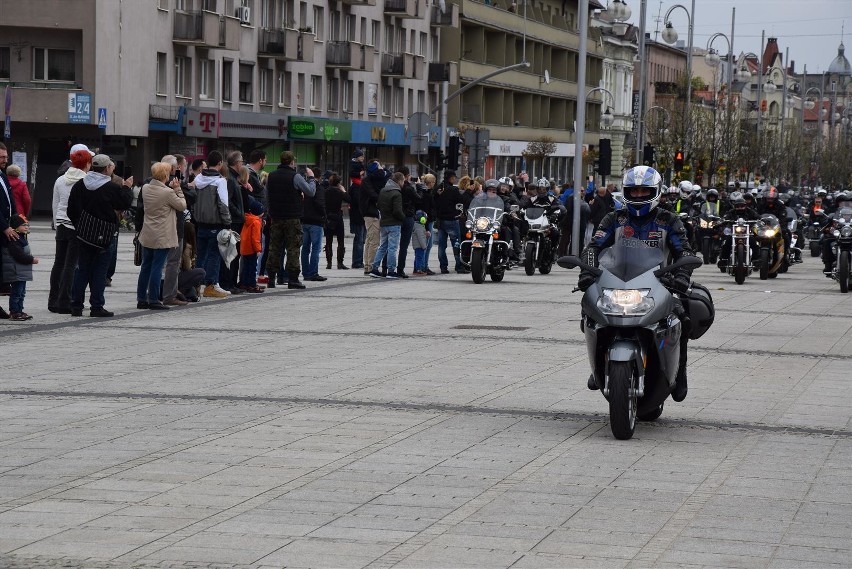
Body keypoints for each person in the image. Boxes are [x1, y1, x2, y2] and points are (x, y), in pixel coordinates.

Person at [578, 165, 696, 402]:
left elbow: (684, 251)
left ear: (656, 191)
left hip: (662, 283)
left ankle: (679, 373)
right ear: (626, 192)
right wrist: (587, 273)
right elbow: (594, 247)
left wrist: (682, 276)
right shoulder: (615, 218)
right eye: (634, 191)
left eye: (645, 191)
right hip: (619, 281)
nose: (639, 196)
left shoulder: (668, 220)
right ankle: (598, 367)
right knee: (589, 313)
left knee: (683, 318)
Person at [66, 154, 133, 317]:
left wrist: (81, 226)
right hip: (105, 236)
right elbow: (124, 203)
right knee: (99, 271)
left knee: (82, 270)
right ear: (107, 169)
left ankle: (76, 306)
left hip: (84, 235)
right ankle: (96, 306)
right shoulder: (111, 187)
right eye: (111, 166)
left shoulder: (80, 185)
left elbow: (71, 210)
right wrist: (126, 187)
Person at [136, 161, 186, 311]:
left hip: (148, 233)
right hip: (162, 235)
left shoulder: (145, 188)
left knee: (146, 266)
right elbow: (182, 205)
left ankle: (141, 298)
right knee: (157, 267)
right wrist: (178, 189)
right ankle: (153, 299)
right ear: (165, 175)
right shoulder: (168, 192)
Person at [48, 147, 91, 314]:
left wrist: (56, 223)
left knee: (58, 263)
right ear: (87, 164)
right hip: (76, 226)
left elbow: (55, 203)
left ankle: (53, 300)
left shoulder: (60, 180)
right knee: (71, 264)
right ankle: (65, 301)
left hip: (61, 223)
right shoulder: (86, 181)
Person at [265, 150, 316, 289]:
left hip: (276, 217)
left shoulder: (271, 176)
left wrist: (270, 212)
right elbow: (310, 192)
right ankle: (293, 279)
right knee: (293, 248)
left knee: (274, 247)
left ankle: (271, 278)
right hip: (292, 217)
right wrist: (311, 178)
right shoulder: (296, 176)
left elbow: (267, 196)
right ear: (292, 162)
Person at [191, 151, 232, 298]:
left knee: (201, 255)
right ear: (220, 163)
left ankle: (195, 285)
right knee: (214, 255)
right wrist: (228, 223)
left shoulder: (198, 178)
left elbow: (193, 201)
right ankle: (211, 284)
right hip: (216, 223)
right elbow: (223, 205)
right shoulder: (220, 181)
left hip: (201, 223)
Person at [369, 171, 406, 279]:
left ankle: (374, 269)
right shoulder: (397, 193)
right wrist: (403, 218)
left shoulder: (383, 191)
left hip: (384, 222)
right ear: (399, 181)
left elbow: (379, 205)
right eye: (403, 181)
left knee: (382, 247)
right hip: (394, 223)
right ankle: (391, 271)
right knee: (392, 248)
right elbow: (397, 211)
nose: (403, 183)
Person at [2, 214, 38, 320]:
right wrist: (31, 260)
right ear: (16, 227)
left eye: (27, 225)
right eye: (24, 225)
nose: (26, 227)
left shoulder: (21, 237)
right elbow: (18, 255)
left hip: (22, 271)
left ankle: (20, 310)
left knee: (22, 293)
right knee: (16, 292)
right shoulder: (14, 239)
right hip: (17, 271)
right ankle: (14, 312)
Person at [717, 191, 759, 269]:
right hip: (734, 233)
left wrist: (760, 220)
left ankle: (755, 260)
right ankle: (724, 259)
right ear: (734, 206)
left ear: (745, 206)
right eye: (737, 206)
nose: (740, 208)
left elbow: (757, 216)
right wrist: (722, 221)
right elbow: (725, 217)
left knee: (755, 244)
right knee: (726, 243)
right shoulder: (731, 212)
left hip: (747, 233)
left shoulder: (750, 211)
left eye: (742, 206)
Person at [359, 160, 386, 275]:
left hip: (370, 213)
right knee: (374, 241)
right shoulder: (367, 181)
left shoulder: (369, 180)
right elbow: (374, 195)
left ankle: (367, 266)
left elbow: (384, 175)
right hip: (370, 214)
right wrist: (380, 169)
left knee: (370, 240)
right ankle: (370, 267)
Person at [300, 167, 327, 282]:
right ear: (320, 177)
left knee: (305, 248)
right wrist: (324, 216)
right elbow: (320, 203)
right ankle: (313, 273)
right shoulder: (318, 188)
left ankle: (306, 273)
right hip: (316, 221)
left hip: (304, 220)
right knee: (316, 248)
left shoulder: (304, 187)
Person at [434, 170, 463, 273]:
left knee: (442, 245)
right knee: (456, 243)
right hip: (451, 219)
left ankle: (443, 266)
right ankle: (459, 265)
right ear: (451, 178)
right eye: (454, 177)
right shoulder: (453, 190)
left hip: (441, 220)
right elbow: (460, 201)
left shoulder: (438, 188)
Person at [324, 173, 350, 270]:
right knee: (340, 241)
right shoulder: (340, 192)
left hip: (328, 217)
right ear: (338, 183)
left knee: (328, 241)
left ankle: (329, 263)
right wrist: (343, 190)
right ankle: (340, 263)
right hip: (338, 217)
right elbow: (349, 199)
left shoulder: (325, 191)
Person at [238, 198, 265, 292]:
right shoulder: (256, 222)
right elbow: (255, 238)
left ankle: (244, 283)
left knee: (246, 267)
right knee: (252, 268)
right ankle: (252, 285)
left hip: (245, 247)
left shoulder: (247, 219)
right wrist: (258, 249)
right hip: (252, 249)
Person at [348, 150, 366, 269]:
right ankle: (357, 262)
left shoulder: (359, 186)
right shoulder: (356, 187)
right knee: (359, 240)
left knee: (361, 240)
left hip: (361, 216)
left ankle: (359, 261)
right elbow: (356, 202)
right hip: (359, 216)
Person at [411, 209, 430, 275]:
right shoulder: (419, 227)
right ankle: (418, 269)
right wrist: (424, 246)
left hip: (417, 245)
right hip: (419, 246)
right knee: (419, 257)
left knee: (417, 257)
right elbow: (421, 238)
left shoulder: (417, 226)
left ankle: (416, 269)